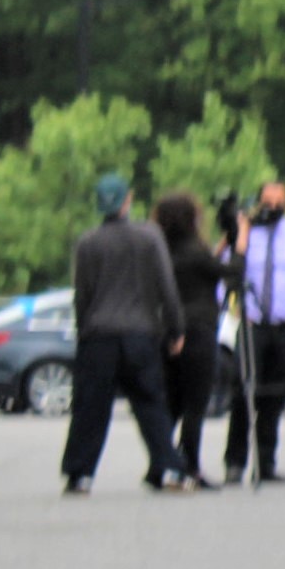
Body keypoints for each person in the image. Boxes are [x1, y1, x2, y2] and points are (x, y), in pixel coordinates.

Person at [63, 172, 186, 495]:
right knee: (150, 404)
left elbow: (83, 295)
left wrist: (83, 332)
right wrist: (175, 329)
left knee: (91, 407)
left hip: (99, 335)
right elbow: (166, 287)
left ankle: (80, 475)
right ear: (127, 201)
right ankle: (169, 467)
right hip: (140, 334)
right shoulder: (149, 237)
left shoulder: (89, 243)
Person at [223, 179, 285, 485]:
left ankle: (266, 463)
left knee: (275, 397)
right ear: (258, 202)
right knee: (243, 392)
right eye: (267, 202)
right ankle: (235, 463)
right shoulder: (245, 233)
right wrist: (228, 306)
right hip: (253, 324)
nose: (273, 208)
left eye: (279, 203)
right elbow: (225, 271)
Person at [153, 191, 225, 490]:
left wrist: (222, 245)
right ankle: (190, 465)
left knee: (173, 402)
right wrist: (241, 243)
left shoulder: (162, 250)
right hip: (198, 329)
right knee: (196, 401)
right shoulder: (195, 251)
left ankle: (161, 463)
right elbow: (230, 272)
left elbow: (207, 267)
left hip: (168, 329)